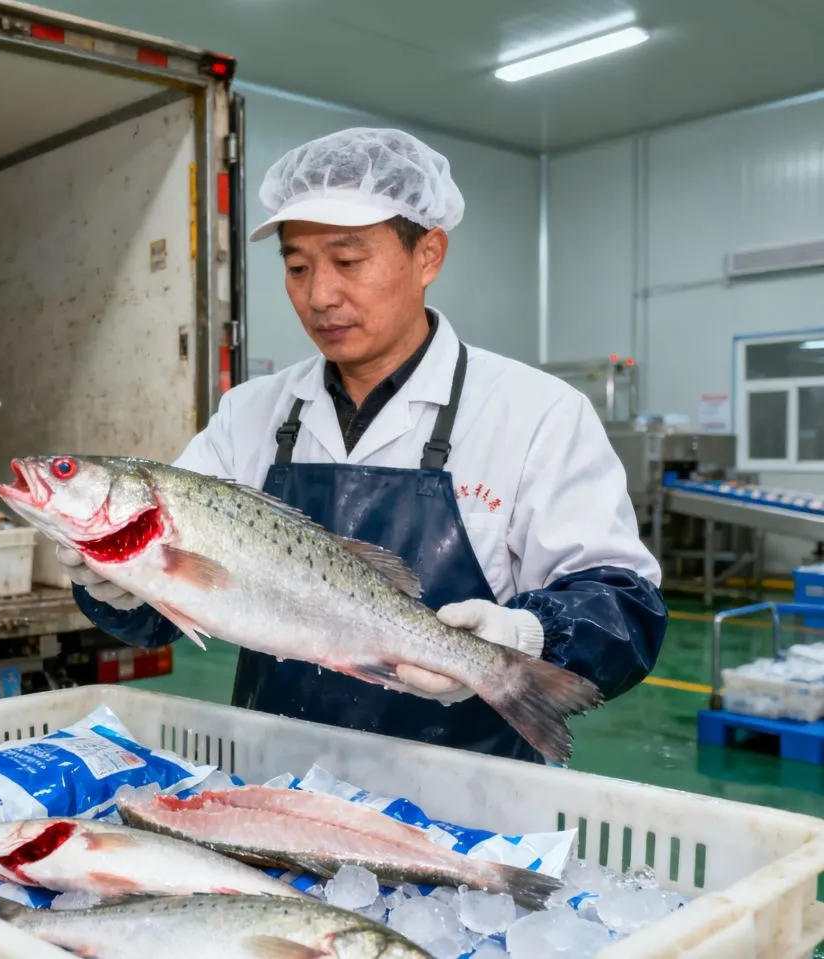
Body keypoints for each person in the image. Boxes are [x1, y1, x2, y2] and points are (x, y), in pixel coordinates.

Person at [59, 128, 667, 763]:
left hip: (470, 807)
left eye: (348, 261)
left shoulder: (535, 412)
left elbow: (625, 610)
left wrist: (521, 636)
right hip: (276, 788)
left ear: (428, 255)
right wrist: (117, 586)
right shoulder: (251, 413)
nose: (319, 295)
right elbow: (163, 611)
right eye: (297, 267)